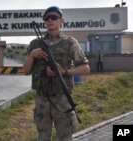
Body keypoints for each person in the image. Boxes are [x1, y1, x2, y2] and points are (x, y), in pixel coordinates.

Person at [23, 6, 90, 141]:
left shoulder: (70, 42)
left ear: (61, 21)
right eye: (47, 18)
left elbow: (85, 68)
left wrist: (65, 72)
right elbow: (26, 71)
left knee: (64, 137)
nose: (50, 20)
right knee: (42, 136)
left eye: (53, 17)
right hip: (42, 99)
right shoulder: (35, 43)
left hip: (62, 99)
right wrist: (32, 55)